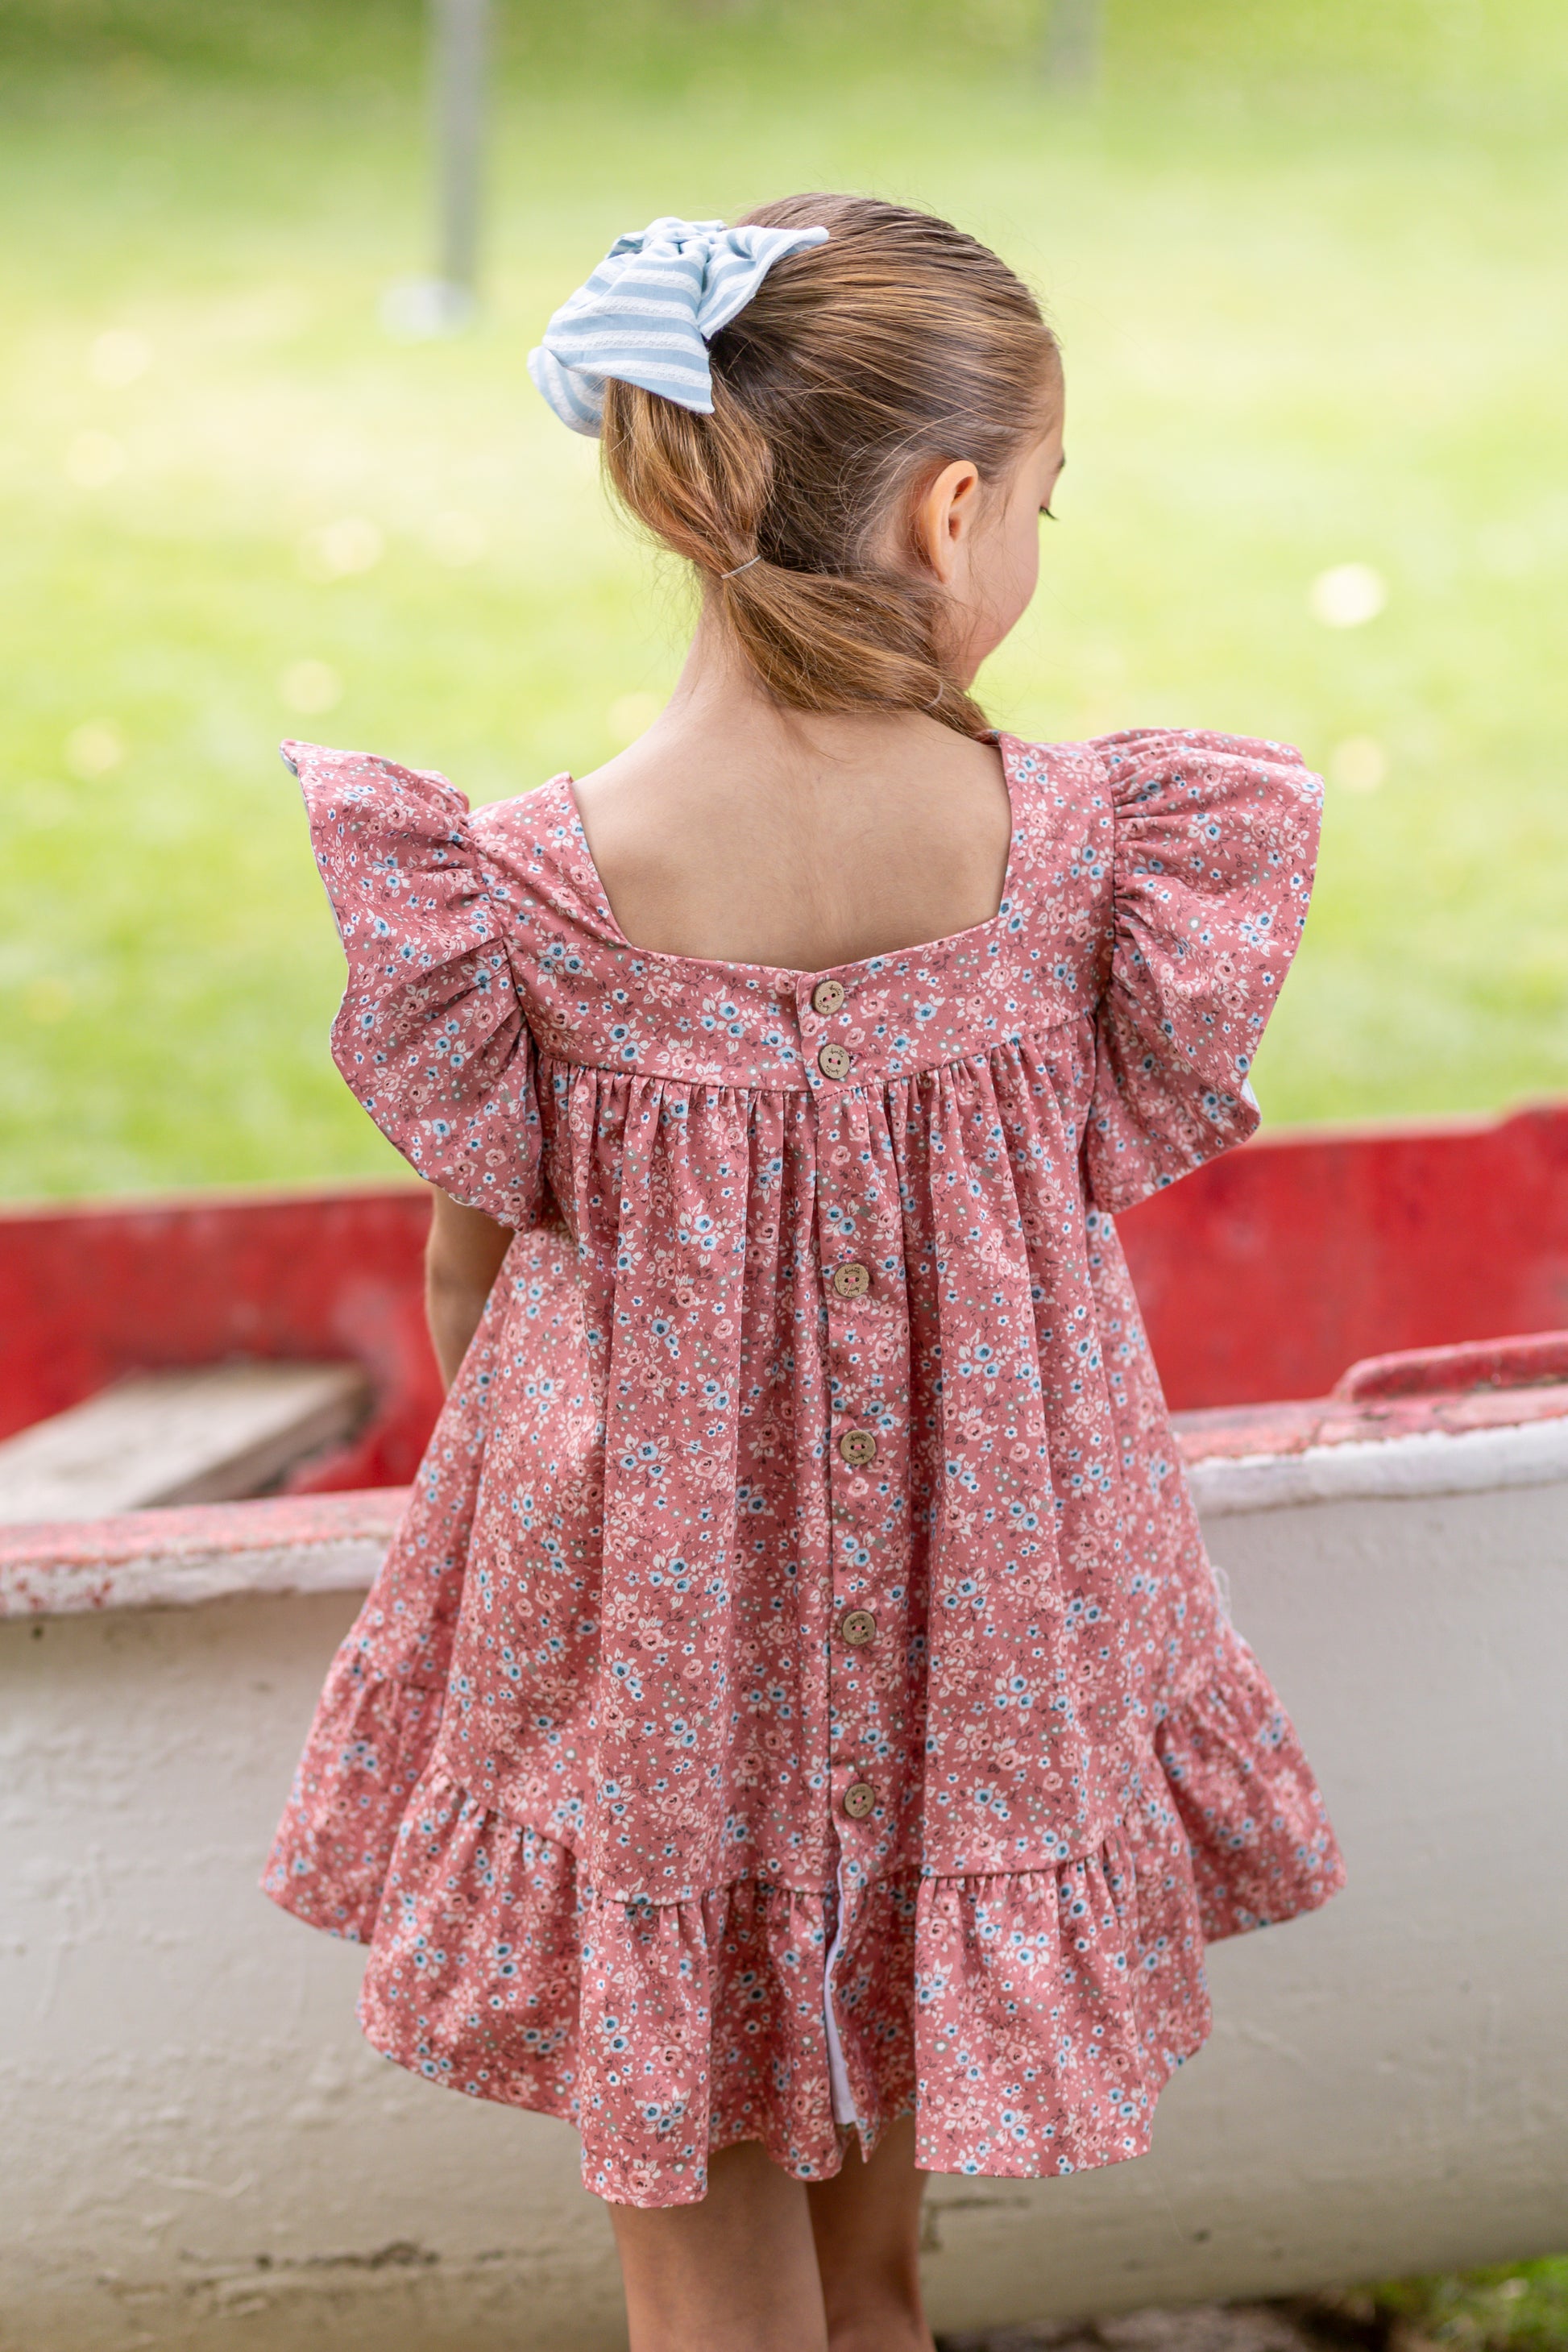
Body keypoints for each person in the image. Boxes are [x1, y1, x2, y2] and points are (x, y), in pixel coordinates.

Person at [264, 198, 1345, 2352]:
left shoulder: (527, 895)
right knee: (874, 2269)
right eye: (1043, 502)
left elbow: (473, 1295)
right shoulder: (1067, 861)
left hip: (658, 1668)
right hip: (973, 1655)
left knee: (702, 2245)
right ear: (953, 510)